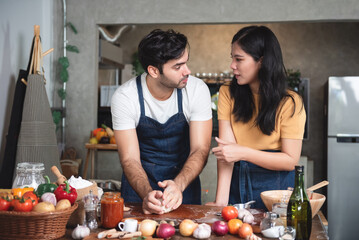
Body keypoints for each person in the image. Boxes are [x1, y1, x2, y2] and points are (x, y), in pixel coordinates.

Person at [111, 29, 212, 214]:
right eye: (177, 66)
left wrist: (178, 185)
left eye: (186, 63)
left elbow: (200, 149)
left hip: (184, 183)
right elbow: (129, 159)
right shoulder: (125, 97)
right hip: (138, 187)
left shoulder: (197, 90)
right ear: (153, 71)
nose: (187, 71)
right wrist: (147, 194)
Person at [208, 26, 306, 209]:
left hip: (277, 189)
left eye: (239, 59)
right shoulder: (227, 93)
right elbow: (227, 154)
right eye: (232, 58)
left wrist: (243, 152)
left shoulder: (291, 102)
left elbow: (290, 160)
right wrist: (221, 201)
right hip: (238, 183)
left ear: (261, 61)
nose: (232, 66)